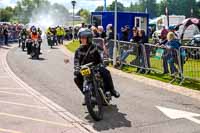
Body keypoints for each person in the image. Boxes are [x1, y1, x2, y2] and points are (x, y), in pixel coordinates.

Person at [74, 28, 120, 104]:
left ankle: (112, 90)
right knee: (76, 78)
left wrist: (105, 60)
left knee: (106, 72)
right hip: (85, 68)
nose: (82, 39)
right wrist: (76, 69)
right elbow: (76, 61)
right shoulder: (78, 50)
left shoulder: (95, 47)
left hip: (96, 66)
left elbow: (102, 54)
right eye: (81, 38)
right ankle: (87, 96)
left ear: (89, 38)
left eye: (84, 38)